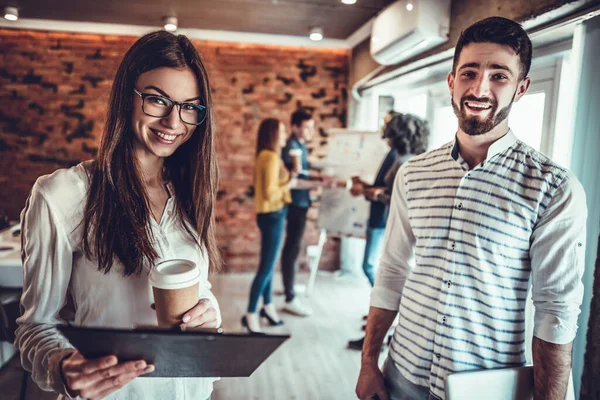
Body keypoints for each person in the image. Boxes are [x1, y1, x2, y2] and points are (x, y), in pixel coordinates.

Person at [356, 16, 587, 400]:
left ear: (521, 87)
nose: (479, 87)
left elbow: (556, 310)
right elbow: (393, 270)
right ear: (451, 81)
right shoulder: (413, 174)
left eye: (499, 76)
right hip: (402, 374)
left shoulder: (554, 187)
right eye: (469, 73)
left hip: (485, 387)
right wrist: (368, 364)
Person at [16, 31, 222, 400]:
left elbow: (199, 288)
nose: (174, 122)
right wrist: (63, 364)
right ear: (126, 95)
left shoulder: (191, 192)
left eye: (190, 107)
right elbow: (35, 327)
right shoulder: (63, 194)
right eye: (157, 100)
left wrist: (210, 314)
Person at [348, 112, 430, 351]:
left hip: (392, 223)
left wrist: (373, 193)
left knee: (383, 272)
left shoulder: (406, 161)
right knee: (384, 271)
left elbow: (396, 197)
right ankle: (385, 320)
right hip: (388, 220)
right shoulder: (403, 158)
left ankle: (389, 320)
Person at [242, 118, 294, 333]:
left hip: (266, 215)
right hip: (274, 214)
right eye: (282, 131)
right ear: (273, 134)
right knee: (266, 267)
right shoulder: (271, 157)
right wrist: (289, 184)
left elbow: (262, 188)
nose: (284, 135)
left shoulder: (263, 156)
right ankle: (251, 312)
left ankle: (267, 307)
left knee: (269, 265)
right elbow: (271, 192)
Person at [279, 109, 320, 317]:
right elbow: (293, 181)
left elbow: (303, 172)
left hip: (301, 202)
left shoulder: (300, 146)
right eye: (306, 127)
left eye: (312, 127)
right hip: (295, 203)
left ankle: (289, 287)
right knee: (292, 247)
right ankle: (289, 297)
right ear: (295, 127)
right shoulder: (292, 147)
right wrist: (321, 181)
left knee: (293, 246)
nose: (310, 131)